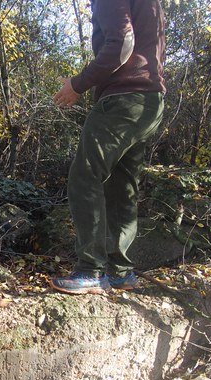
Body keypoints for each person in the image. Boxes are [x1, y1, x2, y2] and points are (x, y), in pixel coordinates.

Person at [49, 0, 166, 295]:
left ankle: (91, 270)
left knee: (85, 175)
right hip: (150, 101)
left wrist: (77, 84)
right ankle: (120, 272)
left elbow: (122, 42)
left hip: (123, 100)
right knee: (122, 185)